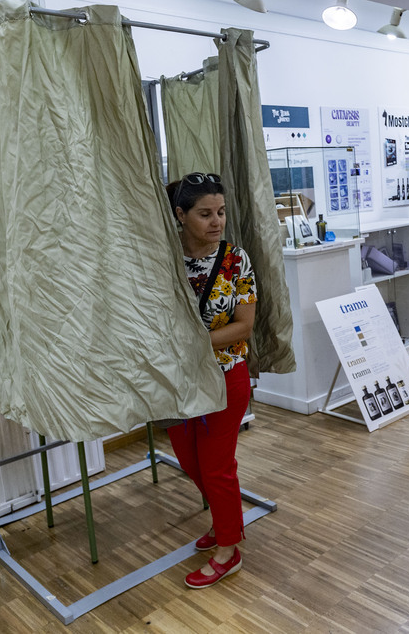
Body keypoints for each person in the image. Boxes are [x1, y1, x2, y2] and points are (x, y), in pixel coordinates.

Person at [165, 171, 256, 589]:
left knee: (218, 467)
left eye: (220, 212)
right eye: (205, 214)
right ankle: (226, 522)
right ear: (181, 215)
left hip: (225, 377)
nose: (216, 221)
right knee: (189, 458)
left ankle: (228, 550)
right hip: (180, 380)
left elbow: (243, 327)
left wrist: (193, 344)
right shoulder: (163, 260)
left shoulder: (236, 260)